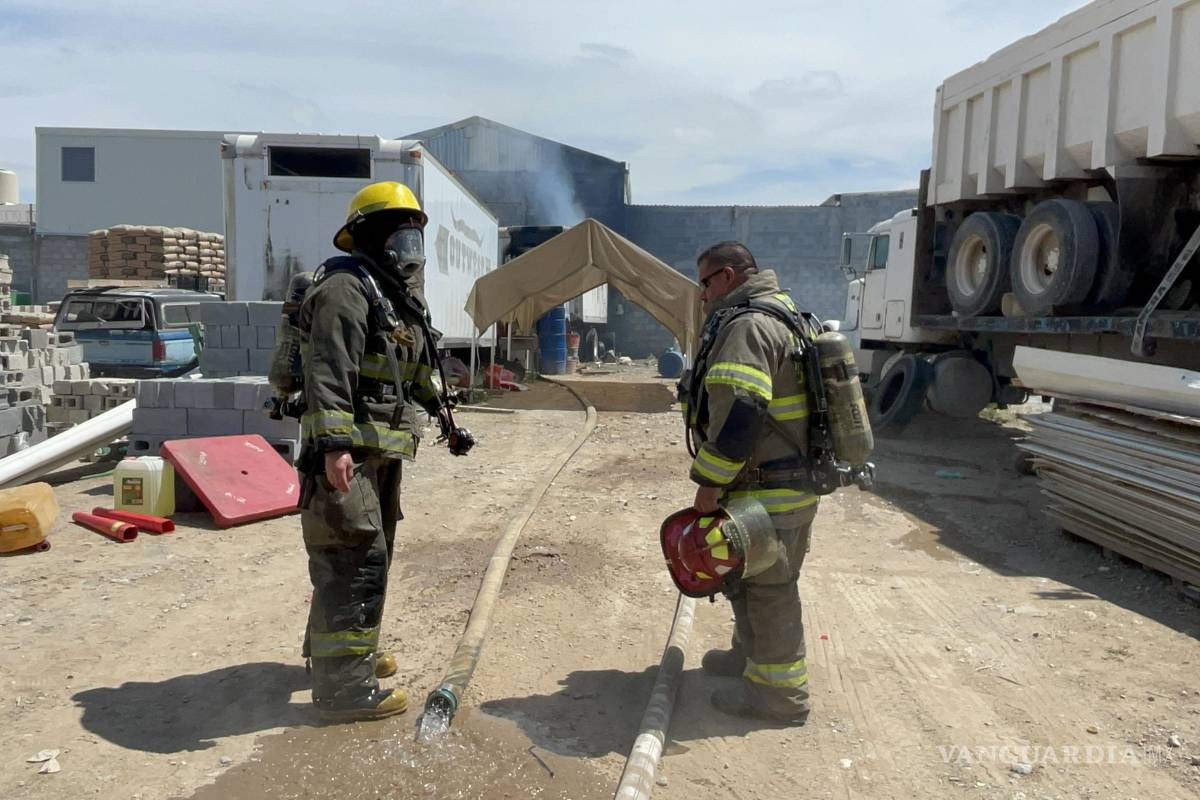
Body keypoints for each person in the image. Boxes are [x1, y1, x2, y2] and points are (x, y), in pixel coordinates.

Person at [298, 181, 447, 722]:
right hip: (347, 454)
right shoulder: (346, 288)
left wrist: (444, 415)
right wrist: (334, 445)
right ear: (370, 236)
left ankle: (344, 653)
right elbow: (328, 370)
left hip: (380, 451)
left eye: (414, 236)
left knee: (365, 553)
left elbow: (410, 373)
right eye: (400, 234)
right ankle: (344, 691)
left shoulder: (391, 295)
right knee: (353, 560)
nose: (409, 247)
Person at [685, 241, 817, 725]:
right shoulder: (785, 313)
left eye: (703, 284)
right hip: (781, 483)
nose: (702, 297)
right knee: (750, 578)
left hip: (768, 488)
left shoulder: (748, 325)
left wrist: (708, 486)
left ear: (725, 276)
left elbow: (741, 412)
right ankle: (748, 658)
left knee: (770, 588)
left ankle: (779, 698)